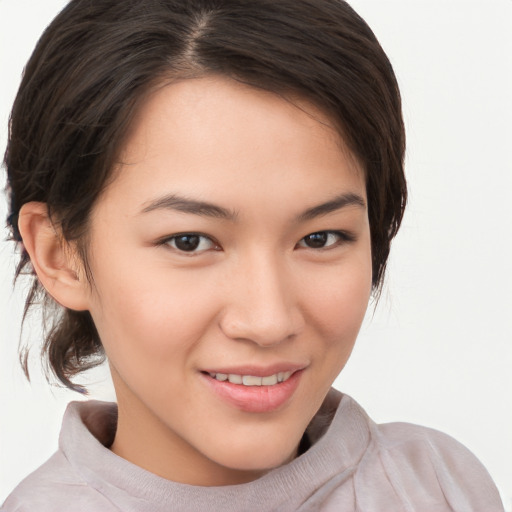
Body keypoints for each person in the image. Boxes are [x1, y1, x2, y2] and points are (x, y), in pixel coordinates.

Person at [1, 0, 505, 510]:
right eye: (189, 241)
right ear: (58, 254)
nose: (268, 321)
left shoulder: (440, 487)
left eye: (320, 238)